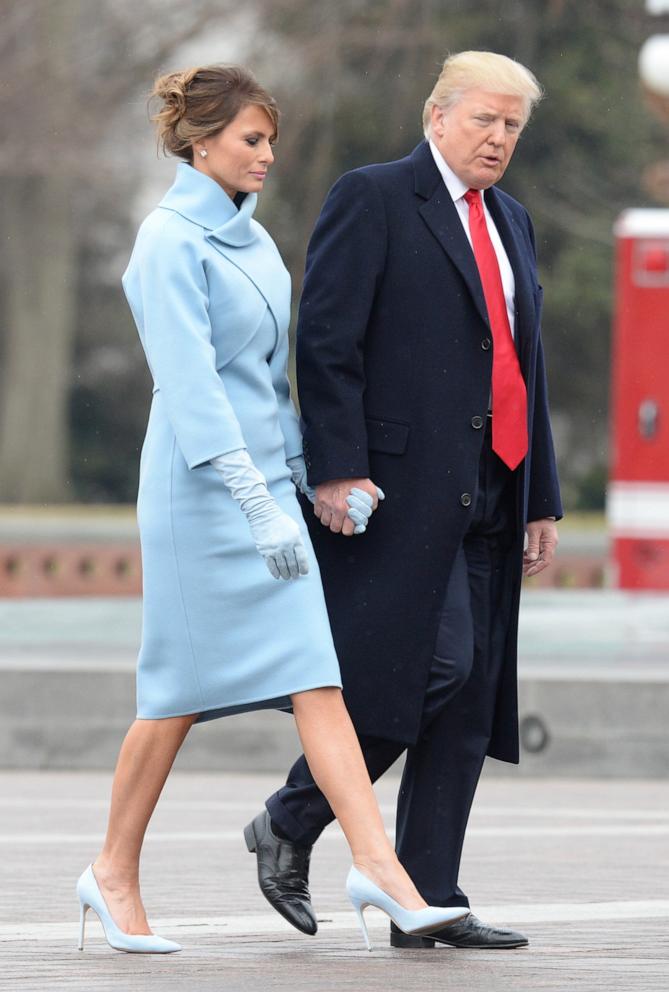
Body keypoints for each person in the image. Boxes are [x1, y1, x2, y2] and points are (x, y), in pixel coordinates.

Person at [75, 64, 467, 955]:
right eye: (251, 140)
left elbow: (266, 382)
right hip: (198, 496)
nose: (267, 156)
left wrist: (312, 480)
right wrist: (253, 501)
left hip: (262, 492)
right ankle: (111, 872)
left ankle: (380, 869)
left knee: (315, 677)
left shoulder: (252, 241)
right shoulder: (166, 241)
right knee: (172, 695)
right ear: (199, 140)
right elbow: (193, 389)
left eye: (269, 141)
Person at [248, 50, 562, 951]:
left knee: (466, 703)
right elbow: (328, 337)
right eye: (483, 120)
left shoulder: (513, 221)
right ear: (436, 115)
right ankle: (290, 815)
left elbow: (522, 366)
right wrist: (335, 467)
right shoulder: (374, 195)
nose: (498, 138)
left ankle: (430, 896)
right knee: (431, 669)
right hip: (394, 492)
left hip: (495, 488)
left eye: (511, 126)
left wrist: (539, 496)